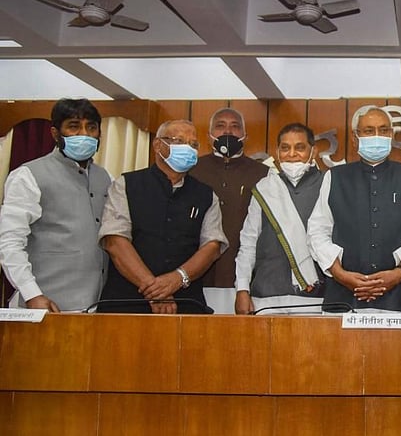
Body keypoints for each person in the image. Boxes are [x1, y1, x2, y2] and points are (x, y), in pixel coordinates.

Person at [307, 106, 401, 313]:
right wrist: (340, 274)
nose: (377, 136)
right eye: (368, 131)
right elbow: (317, 231)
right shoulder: (335, 177)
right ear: (355, 138)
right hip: (343, 296)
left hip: (397, 297)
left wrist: (399, 272)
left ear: (391, 135)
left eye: (383, 130)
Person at [98, 120, 227, 314]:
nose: (188, 148)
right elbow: (115, 241)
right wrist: (155, 290)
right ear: (158, 145)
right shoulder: (126, 185)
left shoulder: (206, 195)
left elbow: (212, 246)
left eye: (193, 144)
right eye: (179, 141)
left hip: (186, 305)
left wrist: (177, 279)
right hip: (126, 304)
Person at [0, 98, 111, 312]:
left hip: (95, 307)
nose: (84, 134)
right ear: (55, 133)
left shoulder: (105, 177)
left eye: (91, 127)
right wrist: (32, 294)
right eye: (74, 126)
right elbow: (9, 242)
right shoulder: (28, 175)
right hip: (44, 307)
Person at [234, 123, 326, 315]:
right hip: (266, 295)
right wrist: (242, 289)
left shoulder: (327, 183)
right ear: (277, 152)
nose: (292, 154)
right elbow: (248, 243)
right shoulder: (265, 187)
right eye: (285, 148)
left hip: (315, 297)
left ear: (313, 151)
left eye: (300, 147)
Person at [190, 107, 269, 314]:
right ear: (209, 135)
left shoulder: (264, 174)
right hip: (197, 277)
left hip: (246, 279)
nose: (227, 131)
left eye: (235, 126)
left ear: (245, 135)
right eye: (220, 126)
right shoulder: (192, 170)